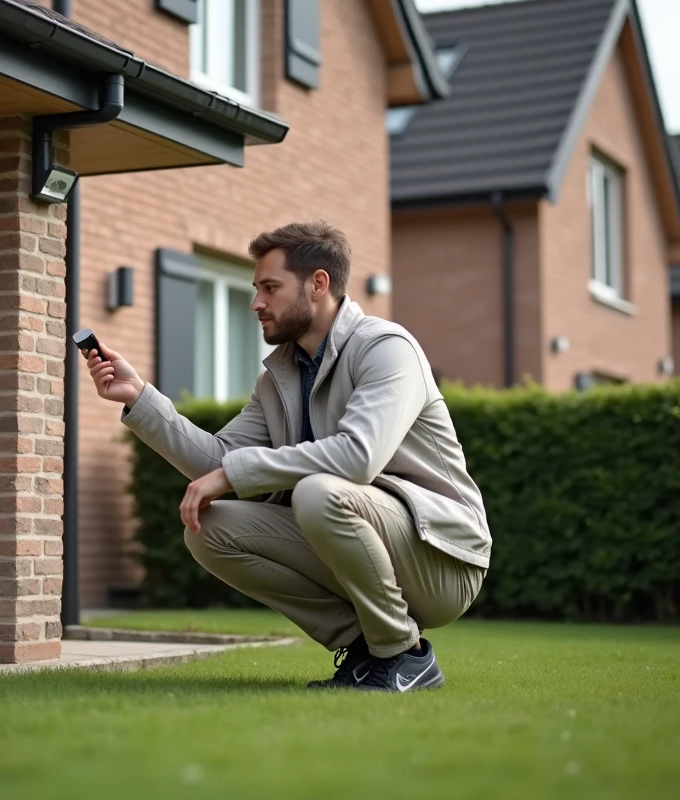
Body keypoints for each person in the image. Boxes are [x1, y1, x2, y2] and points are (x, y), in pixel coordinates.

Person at [81, 221, 491, 693]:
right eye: (257, 289)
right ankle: (365, 650)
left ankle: (405, 657)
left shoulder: (386, 348)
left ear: (318, 284)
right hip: (361, 539)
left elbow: (359, 457)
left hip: (443, 557)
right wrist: (142, 399)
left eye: (270, 288)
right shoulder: (280, 376)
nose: (256, 303)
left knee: (319, 492)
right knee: (209, 529)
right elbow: (220, 458)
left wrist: (234, 473)